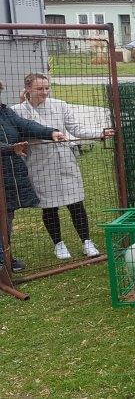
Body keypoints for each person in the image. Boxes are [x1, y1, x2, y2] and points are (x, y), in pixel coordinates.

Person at [12, 73, 112, 260]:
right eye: (39, 89)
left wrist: (99, 133)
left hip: (64, 160)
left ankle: (87, 242)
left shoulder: (60, 105)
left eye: (46, 88)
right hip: (39, 163)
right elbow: (16, 135)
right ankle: (58, 243)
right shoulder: (17, 110)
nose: (44, 92)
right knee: (49, 206)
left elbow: (76, 129)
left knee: (76, 203)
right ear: (28, 89)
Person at [0, 80, 65, 272]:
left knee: (5, 218)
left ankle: (5, 258)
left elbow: (25, 125)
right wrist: (9, 148)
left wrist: (50, 132)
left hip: (7, 175)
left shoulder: (4, 112)